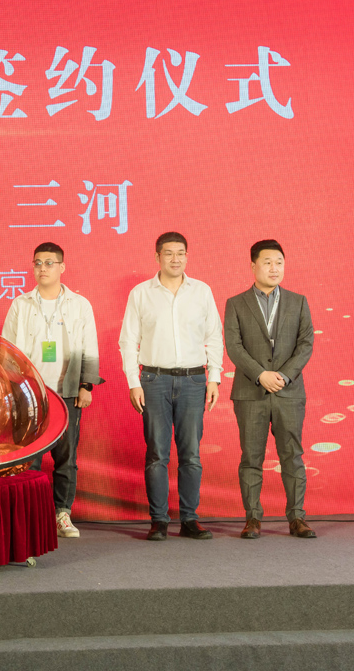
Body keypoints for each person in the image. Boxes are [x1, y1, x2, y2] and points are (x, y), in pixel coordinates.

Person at [118, 232, 224, 542]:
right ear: (157, 257)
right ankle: (159, 520)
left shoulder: (202, 291)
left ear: (187, 256)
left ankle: (189, 519)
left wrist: (214, 377)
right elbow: (128, 341)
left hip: (194, 380)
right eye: (168, 253)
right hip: (154, 380)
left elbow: (214, 336)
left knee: (191, 454)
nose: (175, 259)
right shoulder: (141, 293)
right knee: (157, 454)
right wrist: (133, 382)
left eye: (180, 253)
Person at [2, 242, 101, 539]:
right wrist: (12, 390)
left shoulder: (79, 305)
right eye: (37, 263)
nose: (42, 268)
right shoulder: (21, 304)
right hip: (29, 394)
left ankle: (62, 513)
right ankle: (31, 515)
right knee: (29, 458)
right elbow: (6, 351)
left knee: (66, 457)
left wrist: (86, 385)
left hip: (66, 392)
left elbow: (89, 347)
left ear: (62, 267)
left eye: (49, 263)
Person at [223, 239, 316, 539]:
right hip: (250, 392)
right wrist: (260, 374)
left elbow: (306, 344)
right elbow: (234, 347)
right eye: (267, 262)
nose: (274, 268)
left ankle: (297, 517)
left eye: (279, 262)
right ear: (253, 266)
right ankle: (252, 518)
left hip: (289, 392)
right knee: (251, 457)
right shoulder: (236, 303)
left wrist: (284, 376)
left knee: (292, 455)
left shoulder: (298, 301)